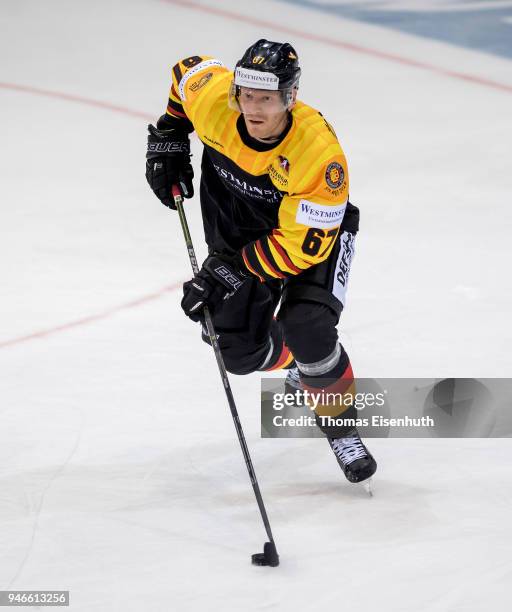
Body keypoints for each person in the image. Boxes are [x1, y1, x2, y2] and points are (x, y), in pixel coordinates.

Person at [146, 39, 377, 484]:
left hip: (314, 238)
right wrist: (172, 132)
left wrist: (229, 271)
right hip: (238, 235)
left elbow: (297, 249)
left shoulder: (317, 154)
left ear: (290, 97)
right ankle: (299, 366)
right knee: (237, 351)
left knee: (306, 325)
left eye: (266, 98)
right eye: (245, 95)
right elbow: (186, 71)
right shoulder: (217, 103)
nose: (252, 107)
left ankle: (340, 427)